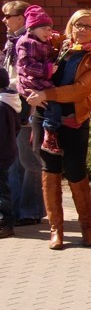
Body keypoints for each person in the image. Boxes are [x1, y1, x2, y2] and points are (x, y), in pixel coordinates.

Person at [27, 9, 91, 250]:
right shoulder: (55, 47)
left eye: (88, 26)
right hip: (45, 116)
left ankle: (87, 228)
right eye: (78, 25)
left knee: (75, 171)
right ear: (70, 26)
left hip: (74, 118)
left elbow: (80, 90)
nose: (82, 29)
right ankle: (56, 230)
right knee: (50, 171)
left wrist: (46, 94)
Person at [2, 0, 45, 233]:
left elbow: (26, 76)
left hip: (26, 106)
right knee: (14, 160)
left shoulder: (27, 42)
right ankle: (17, 208)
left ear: (21, 18)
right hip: (12, 105)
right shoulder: (11, 42)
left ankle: (30, 210)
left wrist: (5, 85)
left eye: (8, 15)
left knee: (28, 161)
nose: (4, 20)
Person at [15, 5, 63, 155]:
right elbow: (26, 66)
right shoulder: (27, 43)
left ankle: (37, 134)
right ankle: (48, 136)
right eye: (45, 29)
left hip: (38, 80)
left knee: (45, 107)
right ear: (32, 28)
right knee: (53, 106)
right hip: (33, 81)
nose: (48, 33)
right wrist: (48, 69)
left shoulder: (41, 41)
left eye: (50, 29)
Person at [0, 67, 22, 236]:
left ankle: (5, 223)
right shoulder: (9, 101)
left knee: (2, 191)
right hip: (8, 150)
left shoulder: (1, 106)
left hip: (2, 153)